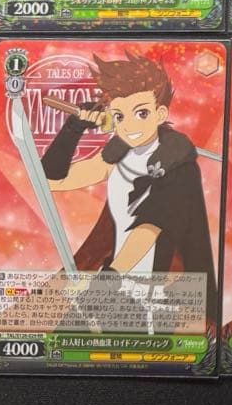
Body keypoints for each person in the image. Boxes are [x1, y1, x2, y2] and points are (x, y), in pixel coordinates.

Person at [40, 51, 217, 321]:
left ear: (160, 113)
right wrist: (72, 130)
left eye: (141, 113)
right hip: (119, 285)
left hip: (162, 293)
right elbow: (52, 182)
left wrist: (107, 282)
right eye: (120, 116)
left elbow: (149, 227)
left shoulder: (178, 166)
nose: (130, 125)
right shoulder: (118, 155)